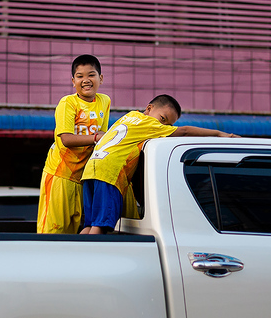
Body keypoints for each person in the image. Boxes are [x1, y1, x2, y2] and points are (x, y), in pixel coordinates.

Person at [80, 94, 239, 234]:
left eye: (168, 125)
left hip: (91, 170)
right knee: (100, 226)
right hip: (109, 174)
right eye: (163, 119)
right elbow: (184, 131)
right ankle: (90, 257)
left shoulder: (130, 116)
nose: (163, 127)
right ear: (149, 108)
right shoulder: (149, 124)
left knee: (89, 224)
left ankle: (77, 254)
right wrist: (219, 133)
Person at [37, 54, 111, 234]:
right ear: (73, 81)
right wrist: (96, 137)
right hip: (60, 175)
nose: (86, 80)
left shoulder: (104, 101)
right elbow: (67, 139)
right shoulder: (67, 103)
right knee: (53, 233)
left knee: (73, 233)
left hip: (82, 178)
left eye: (91, 75)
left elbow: (101, 141)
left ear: (101, 78)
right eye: (80, 76)